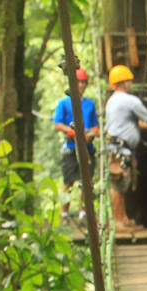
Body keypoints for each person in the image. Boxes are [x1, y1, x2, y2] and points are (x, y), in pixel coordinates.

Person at [104, 64, 147, 231]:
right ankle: (117, 222)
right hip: (119, 149)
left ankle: (122, 218)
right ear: (124, 82)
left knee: (122, 184)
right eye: (129, 81)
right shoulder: (129, 100)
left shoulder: (113, 100)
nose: (132, 84)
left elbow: (135, 123)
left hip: (117, 148)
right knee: (118, 184)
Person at [52, 68, 99, 226]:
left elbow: (95, 126)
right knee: (68, 182)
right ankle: (64, 214)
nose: (80, 85)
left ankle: (83, 214)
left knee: (86, 182)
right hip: (71, 147)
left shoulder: (90, 104)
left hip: (87, 148)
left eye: (83, 82)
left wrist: (91, 133)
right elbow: (57, 124)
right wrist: (72, 131)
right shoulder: (64, 103)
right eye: (78, 82)